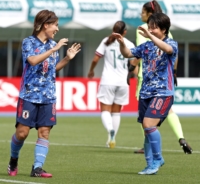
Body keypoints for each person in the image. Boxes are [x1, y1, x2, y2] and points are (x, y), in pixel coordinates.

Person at [7, 10, 81, 178]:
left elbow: (51, 71)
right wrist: (54, 49)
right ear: (45, 25)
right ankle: (13, 159)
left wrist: (67, 58)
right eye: (55, 25)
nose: (57, 29)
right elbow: (33, 61)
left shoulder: (52, 45)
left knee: (45, 132)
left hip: (48, 96)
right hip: (29, 95)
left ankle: (37, 168)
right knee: (22, 133)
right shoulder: (28, 42)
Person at [112, 12, 178, 174]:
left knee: (148, 125)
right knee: (147, 129)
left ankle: (158, 159)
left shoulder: (171, 43)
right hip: (145, 93)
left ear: (164, 30)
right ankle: (151, 165)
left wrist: (149, 35)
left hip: (163, 92)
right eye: (149, 27)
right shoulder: (147, 46)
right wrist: (121, 43)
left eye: (154, 28)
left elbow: (166, 49)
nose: (150, 30)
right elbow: (128, 54)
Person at [128, 0, 192, 154]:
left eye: (143, 13)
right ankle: (180, 137)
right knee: (168, 110)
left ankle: (148, 146)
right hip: (165, 77)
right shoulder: (166, 31)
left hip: (148, 77)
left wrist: (131, 68)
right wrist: (174, 72)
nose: (141, 15)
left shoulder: (144, 30)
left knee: (146, 117)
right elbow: (173, 54)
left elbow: (141, 52)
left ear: (149, 14)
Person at [88, 21, 135, 148]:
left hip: (108, 80)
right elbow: (134, 64)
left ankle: (110, 130)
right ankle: (110, 140)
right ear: (124, 32)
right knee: (116, 112)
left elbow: (95, 59)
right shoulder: (129, 44)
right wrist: (132, 75)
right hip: (123, 82)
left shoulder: (106, 41)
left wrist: (91, 70)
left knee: (105, 110)